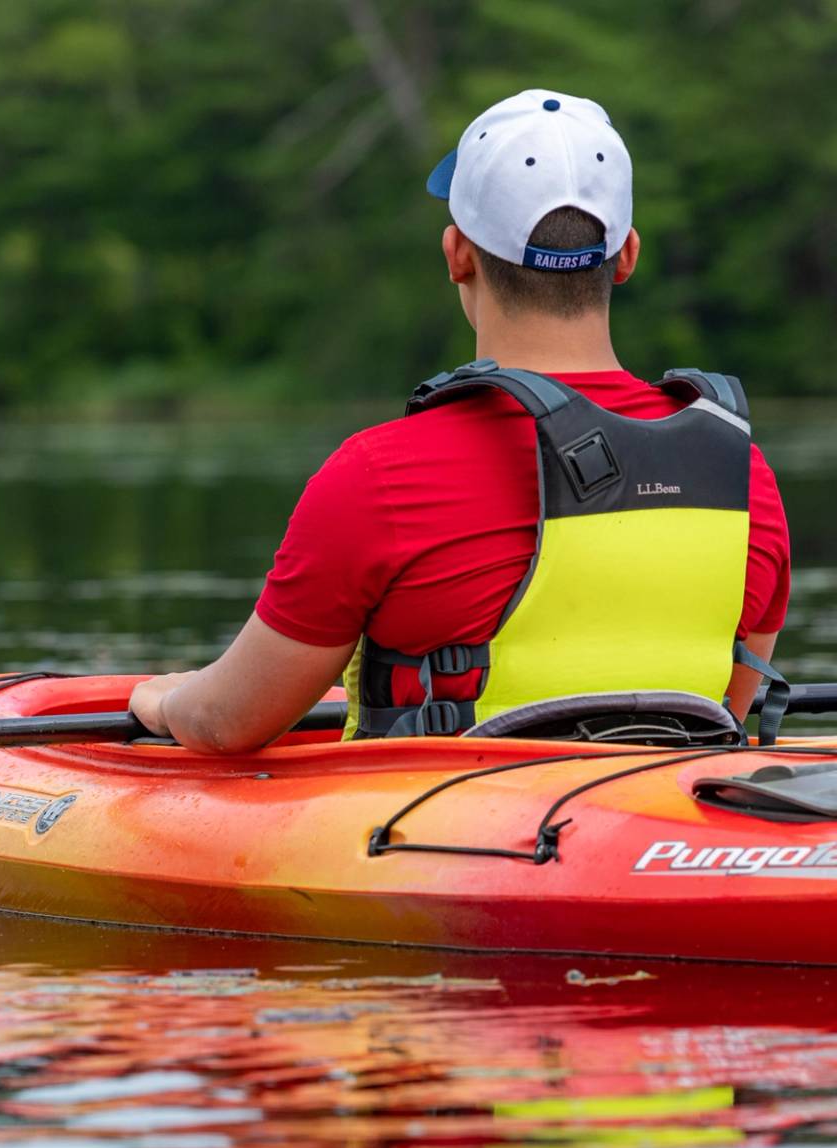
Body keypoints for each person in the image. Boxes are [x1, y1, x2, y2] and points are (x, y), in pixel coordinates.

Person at [129, 89, 790, 753]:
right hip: (662, 818)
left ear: (457, 254)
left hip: (439, 833)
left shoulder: (380, 475)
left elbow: (226, 724)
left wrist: (163, 702)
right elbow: (724, 708)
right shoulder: (738, 470)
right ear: (627, 255)